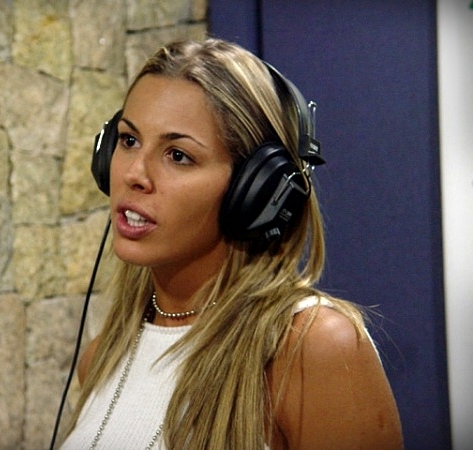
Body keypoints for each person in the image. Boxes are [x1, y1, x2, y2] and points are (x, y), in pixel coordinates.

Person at [60, 38, 403, 449]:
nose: (134, 174)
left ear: (257, 190)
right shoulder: (101, 358)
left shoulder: (312, 348)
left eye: (178, 155)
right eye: (129, 140)